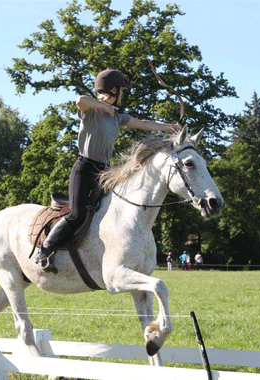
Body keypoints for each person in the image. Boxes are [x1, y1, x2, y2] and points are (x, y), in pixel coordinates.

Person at [35, 69, 177, 273]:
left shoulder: (117, 117)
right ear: (113, 90)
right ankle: (45, 249)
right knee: (77, 214)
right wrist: (103, 105)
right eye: (121, 91)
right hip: (84, 168)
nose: (122, 95)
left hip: (104, 172)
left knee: (114, 210)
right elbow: (80, 100)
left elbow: (143, 123)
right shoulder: (91, 110)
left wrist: (170, 127)